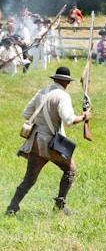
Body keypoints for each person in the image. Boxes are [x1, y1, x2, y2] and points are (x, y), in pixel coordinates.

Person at [5, 67, 92, 215]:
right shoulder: (63, 96)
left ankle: (12, 207)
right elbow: (69, 120)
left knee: (30, 178)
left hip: (34, 142)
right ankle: (60, 206)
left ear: (55, 79)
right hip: (49, 143)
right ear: (66, 82)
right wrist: (85, 117)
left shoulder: (41, 92)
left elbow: (26, 114)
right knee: (70, 170)